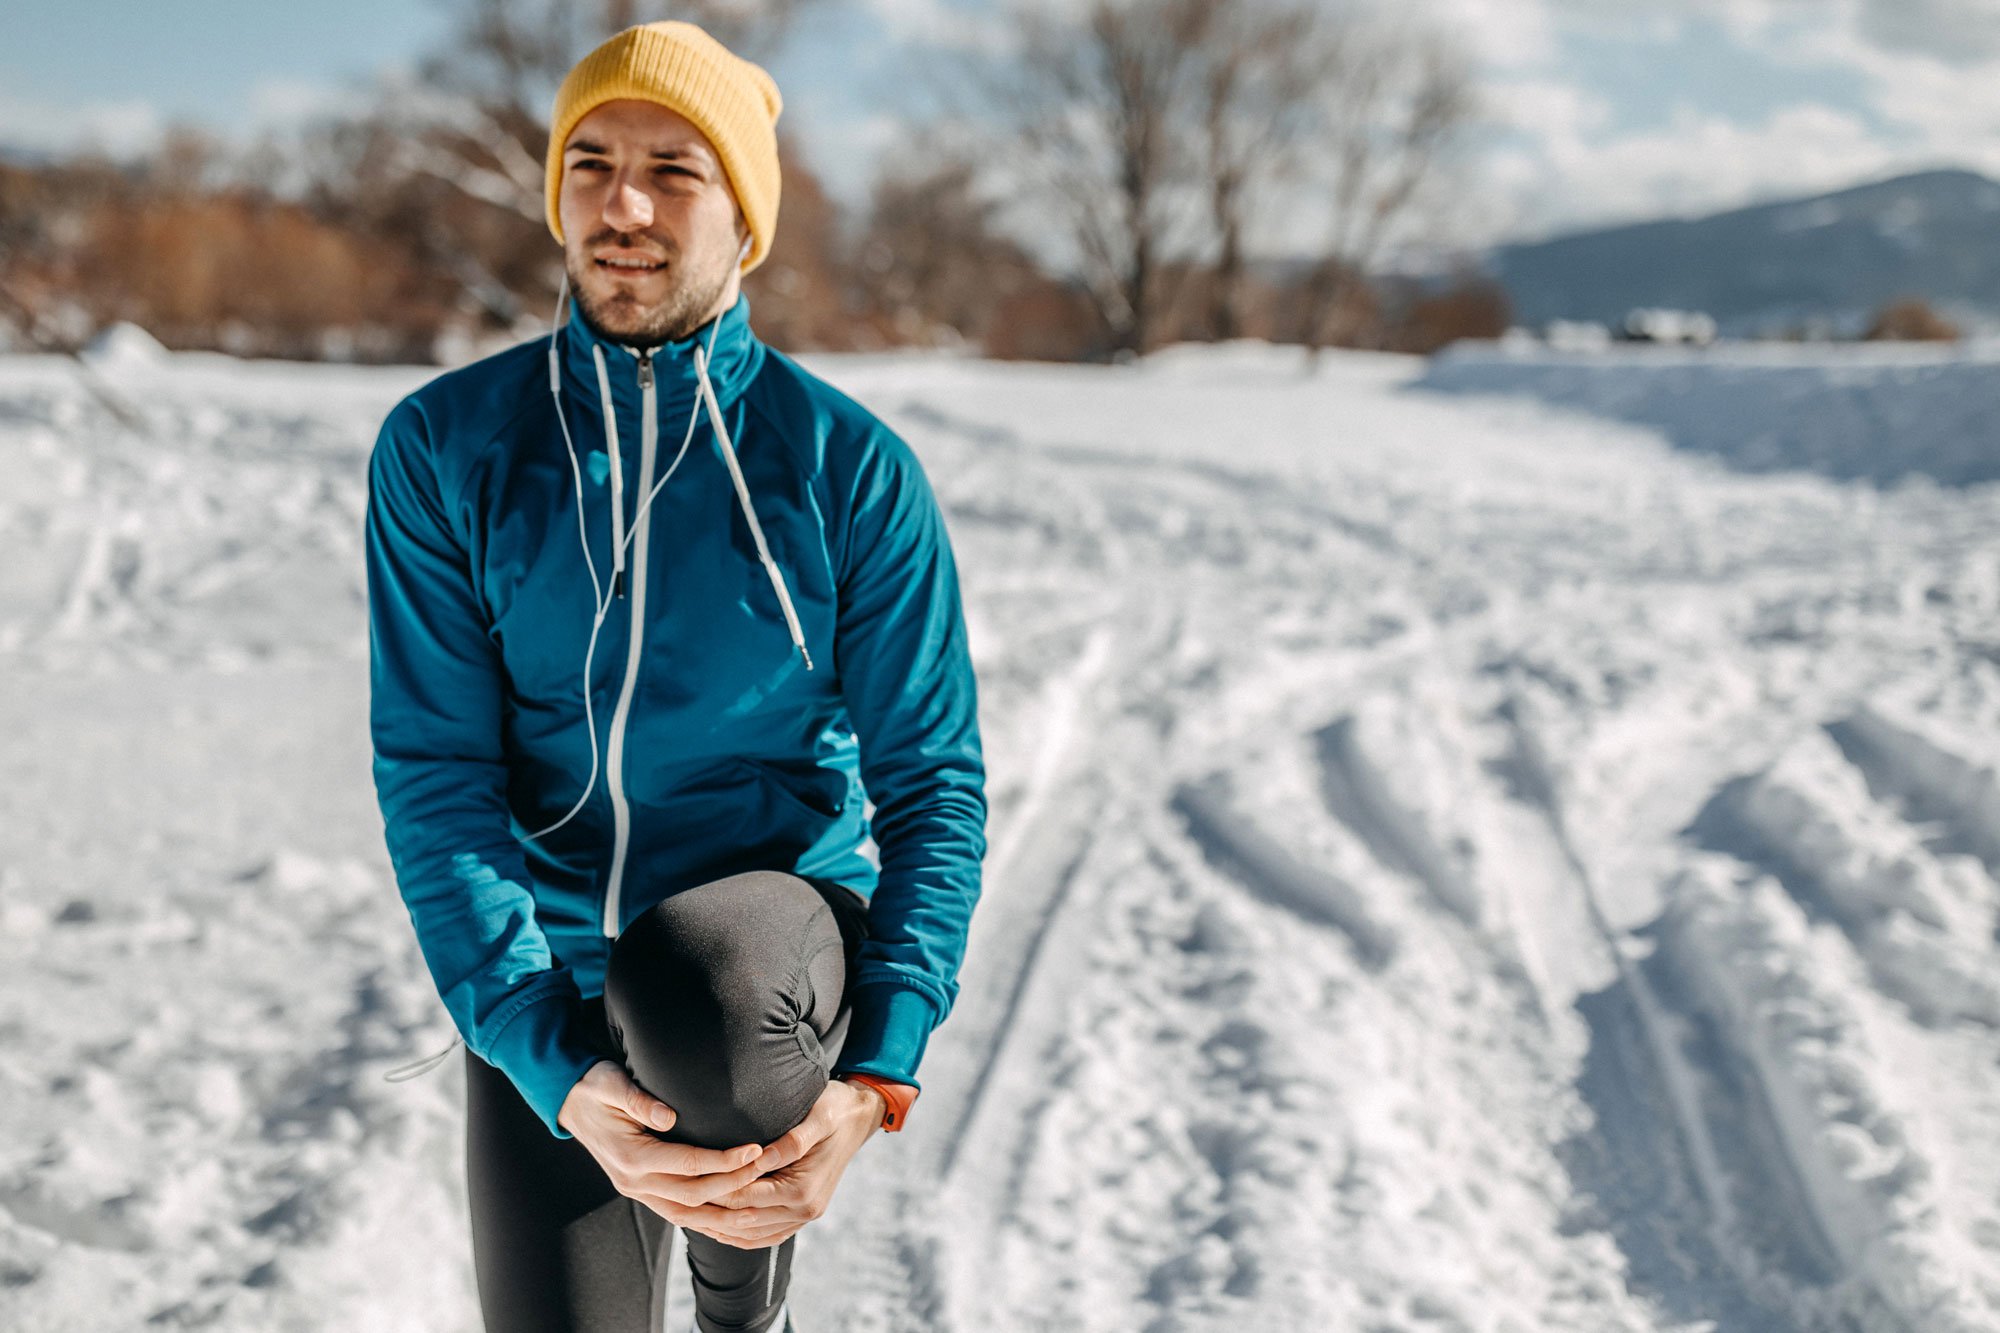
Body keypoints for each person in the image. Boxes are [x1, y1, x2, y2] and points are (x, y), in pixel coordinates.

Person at [364, 20, 988, 1332]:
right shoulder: (448, 449)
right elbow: (439, 774)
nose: (624, 202)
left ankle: (739, 1306)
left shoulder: (845, 469)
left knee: (691, 973)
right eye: (589, 161)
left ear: (746, 219)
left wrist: (874, 1076)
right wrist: (547, 1054)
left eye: (677, 169)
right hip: (550, 973)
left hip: (754, 962)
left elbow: (933, 783)